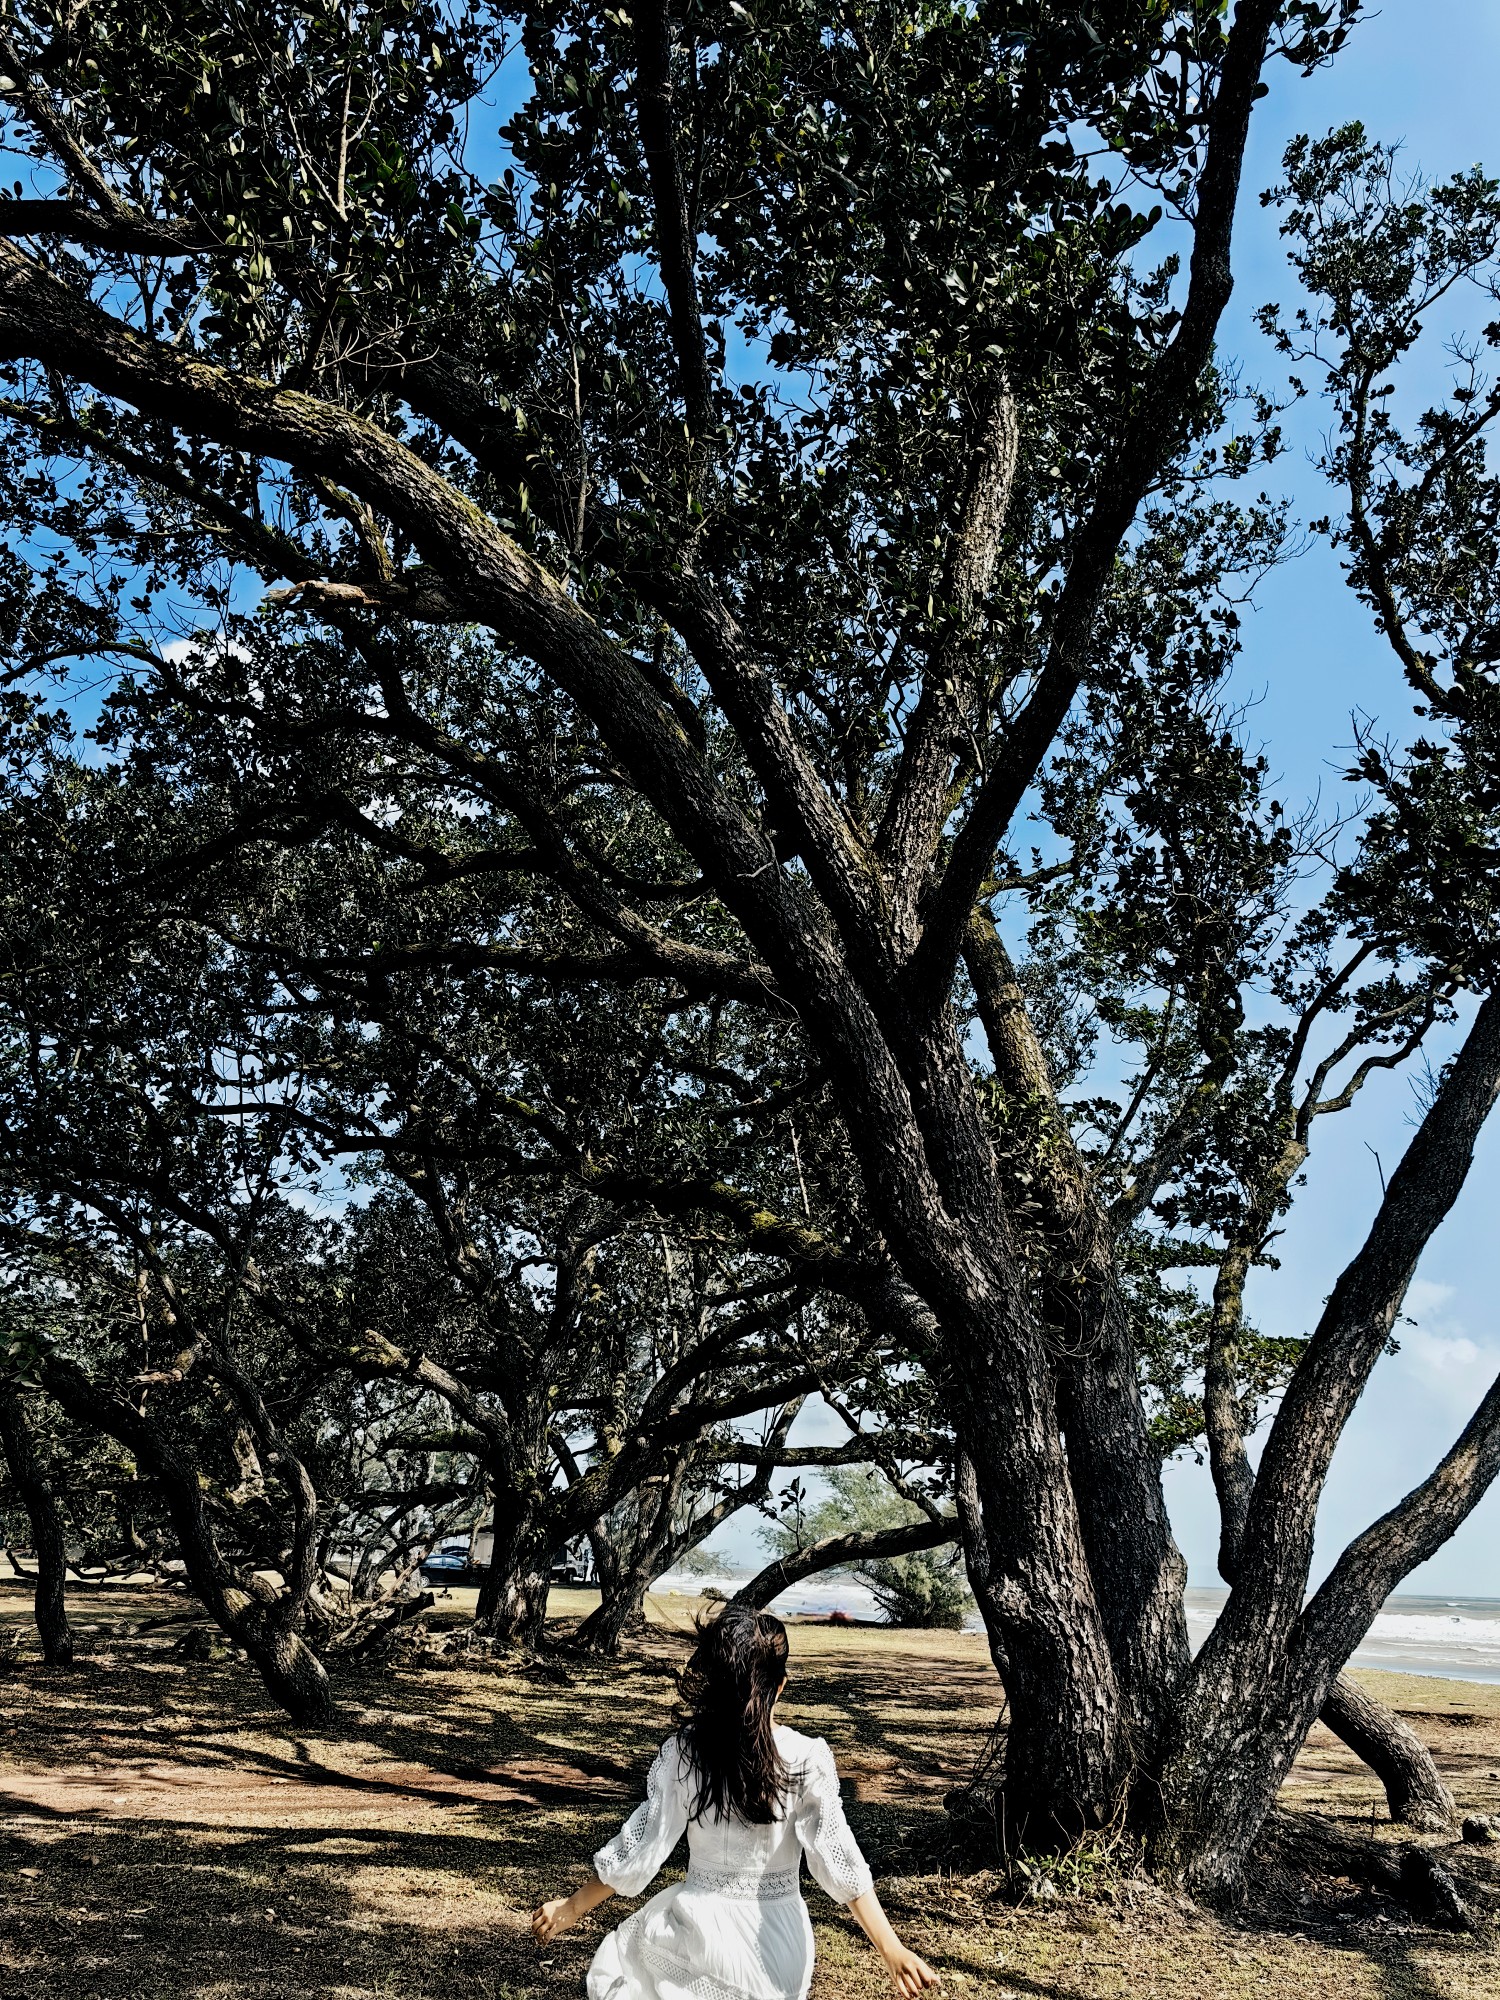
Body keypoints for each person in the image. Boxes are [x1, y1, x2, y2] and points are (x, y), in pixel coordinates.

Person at [531, 1604, 941, 2000]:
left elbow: (641, 1848)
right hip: (778, 1943)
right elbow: (839, 1861)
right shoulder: (806, 1758)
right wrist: (892, 1949)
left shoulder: (685, 1754)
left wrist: (570, 1907)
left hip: (699, 1933)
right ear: (779, 1685)